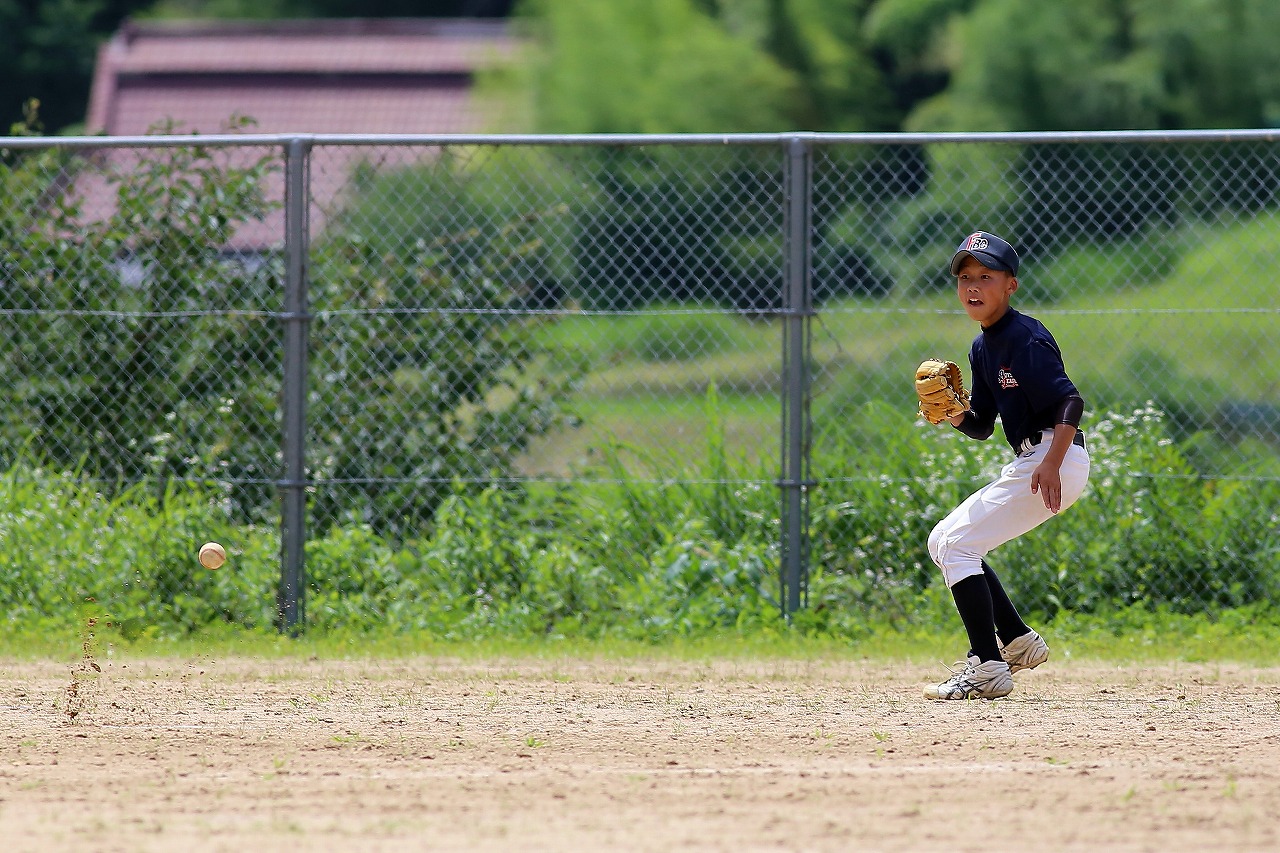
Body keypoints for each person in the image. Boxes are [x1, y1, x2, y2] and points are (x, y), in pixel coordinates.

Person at [922, 231, 1091, 701]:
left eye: (986, 276)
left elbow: (1070, 402)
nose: (973, 286)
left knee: (957, 544)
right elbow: (980, 425)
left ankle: (988, 667)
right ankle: (1016, 640)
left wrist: (1051, 463)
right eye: (964, 277)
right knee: (946, 541)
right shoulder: (983, 347)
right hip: (1036, 458)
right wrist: (954, 411)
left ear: (1010, 285)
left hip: (1054, 457)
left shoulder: (1024, 337)